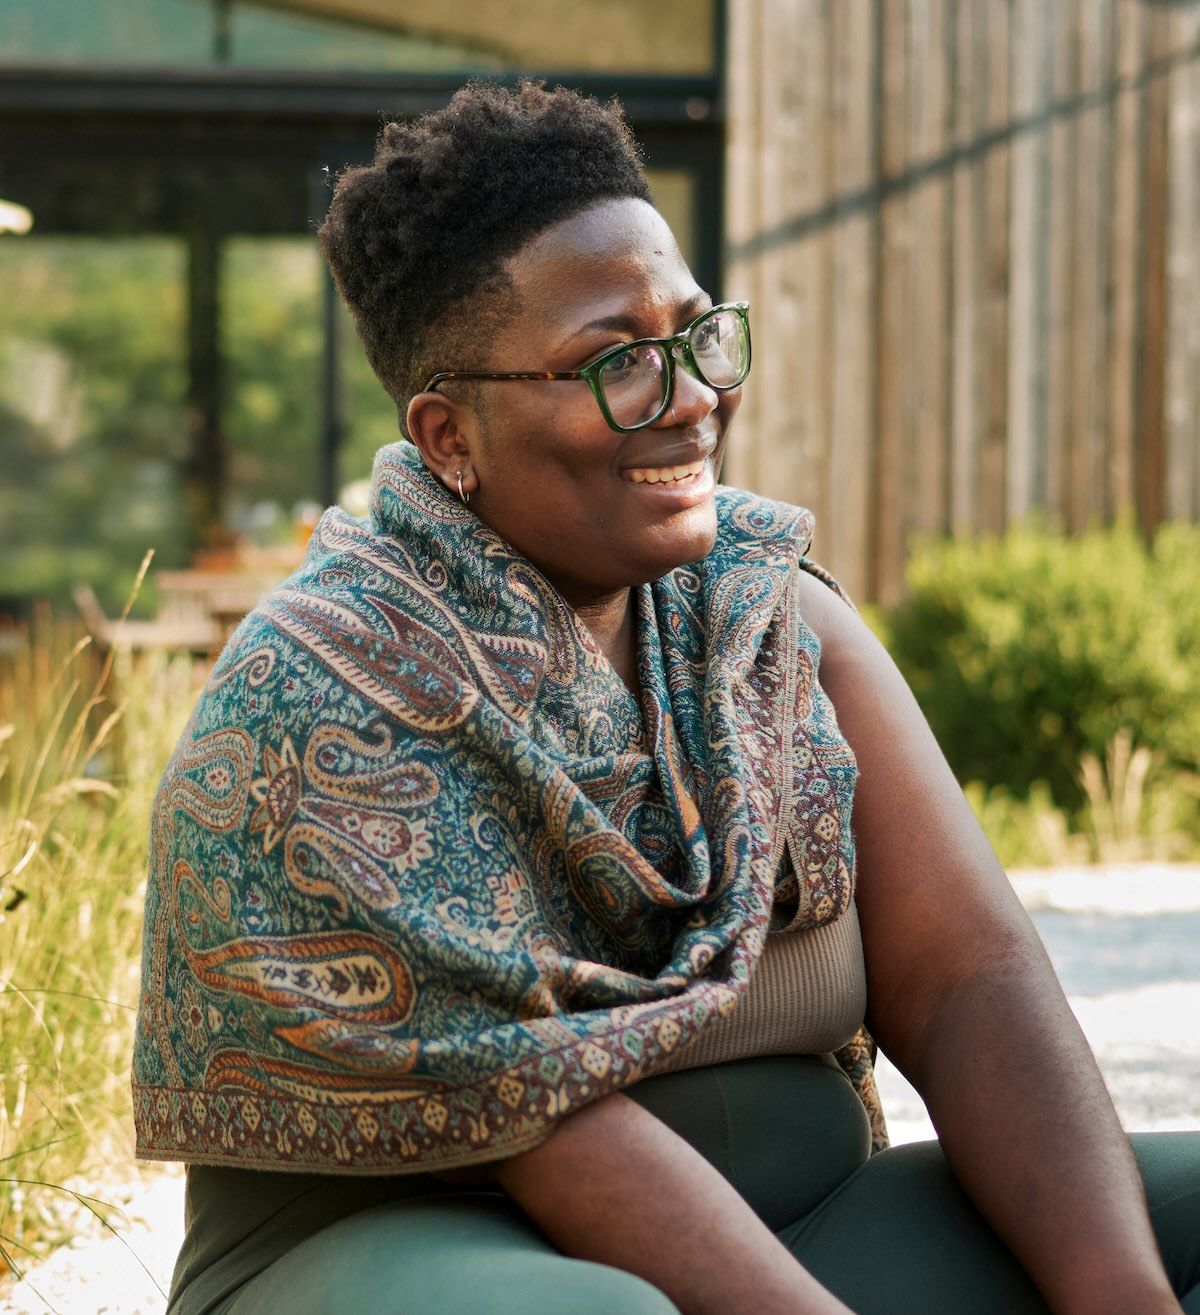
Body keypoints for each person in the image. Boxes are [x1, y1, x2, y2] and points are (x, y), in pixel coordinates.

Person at [133, 81, 1200, 1315]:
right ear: (448, 436)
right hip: (406, 1253)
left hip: (799, 1223)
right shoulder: (326, 687)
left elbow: (969, 974)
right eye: (618, 363)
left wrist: (1125, 1298)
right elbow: (548, 1122)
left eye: (697, 336)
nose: (691, 396)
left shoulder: (771, 614)